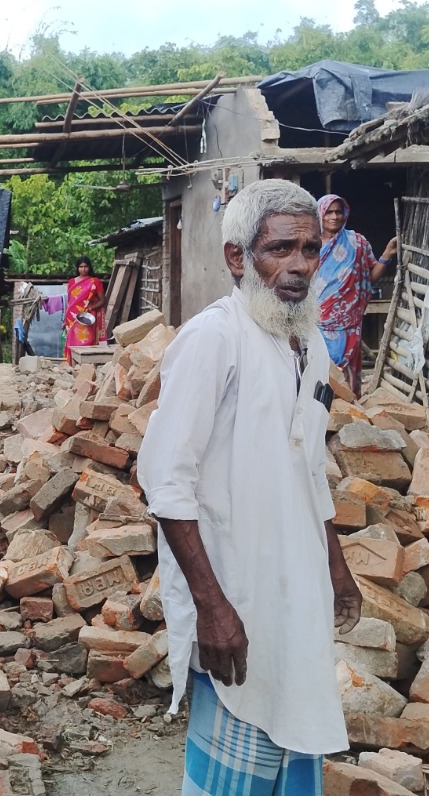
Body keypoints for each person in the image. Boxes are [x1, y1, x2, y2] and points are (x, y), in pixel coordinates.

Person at [137, 179, 362, 796]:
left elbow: (309, 467)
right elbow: (165, 481)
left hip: (297, 587)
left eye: (310, 250)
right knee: (237, 754)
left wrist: (336, 569)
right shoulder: (215, 338)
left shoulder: (309, 343)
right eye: (280, 249)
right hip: (235, 588)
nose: (297, 267)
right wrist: (211, 605)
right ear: (238, 258)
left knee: (294, 738)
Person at [314, 194, 397, 398]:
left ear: (345, 214)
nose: (334, 217)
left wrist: (386, 254)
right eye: (329, 212)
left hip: (348, 322)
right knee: (318, 367)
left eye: (338, 212)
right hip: (316, 320)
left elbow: (370, 278)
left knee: (346, 374)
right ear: (320, 214)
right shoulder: (310, 244)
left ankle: (348, 411)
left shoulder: (357, 243)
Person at [65, 256, 106, 364]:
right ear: (77, 268)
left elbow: (102, 300)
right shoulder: (72, 282)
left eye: (86, 266)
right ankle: (71, 366)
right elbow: (70, 302)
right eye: (81, 267)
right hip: (71, 318)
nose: (83, 269)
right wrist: (65, 320)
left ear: (89, 267)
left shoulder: (95, 282)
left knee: (86, 341)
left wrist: (91, 308)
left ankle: (87, 367)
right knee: (72, 342)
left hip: (86, 317)